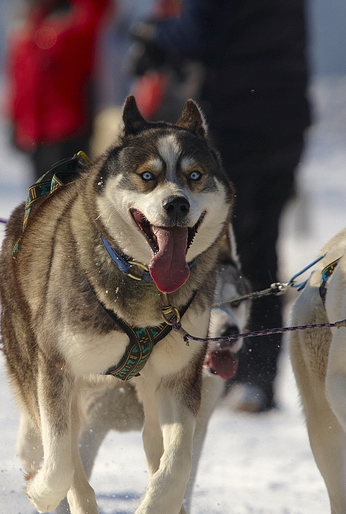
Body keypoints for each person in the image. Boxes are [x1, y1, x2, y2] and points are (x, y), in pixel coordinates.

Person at [129, 0, 312, 413]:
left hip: (234, 118)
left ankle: (194, 368)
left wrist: (154, 34)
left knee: (207, 243)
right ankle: (256, 377)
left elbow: (198, 31)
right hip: (286, 118)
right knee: (261, 247)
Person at [5, 0, 114, 180]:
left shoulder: (76, 24)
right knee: (40, 200)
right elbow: (19, 83)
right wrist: (14, 121)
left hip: (69, 129)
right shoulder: (26, 30)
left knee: (64, 198)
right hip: (34, 132)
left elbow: (98, 10)